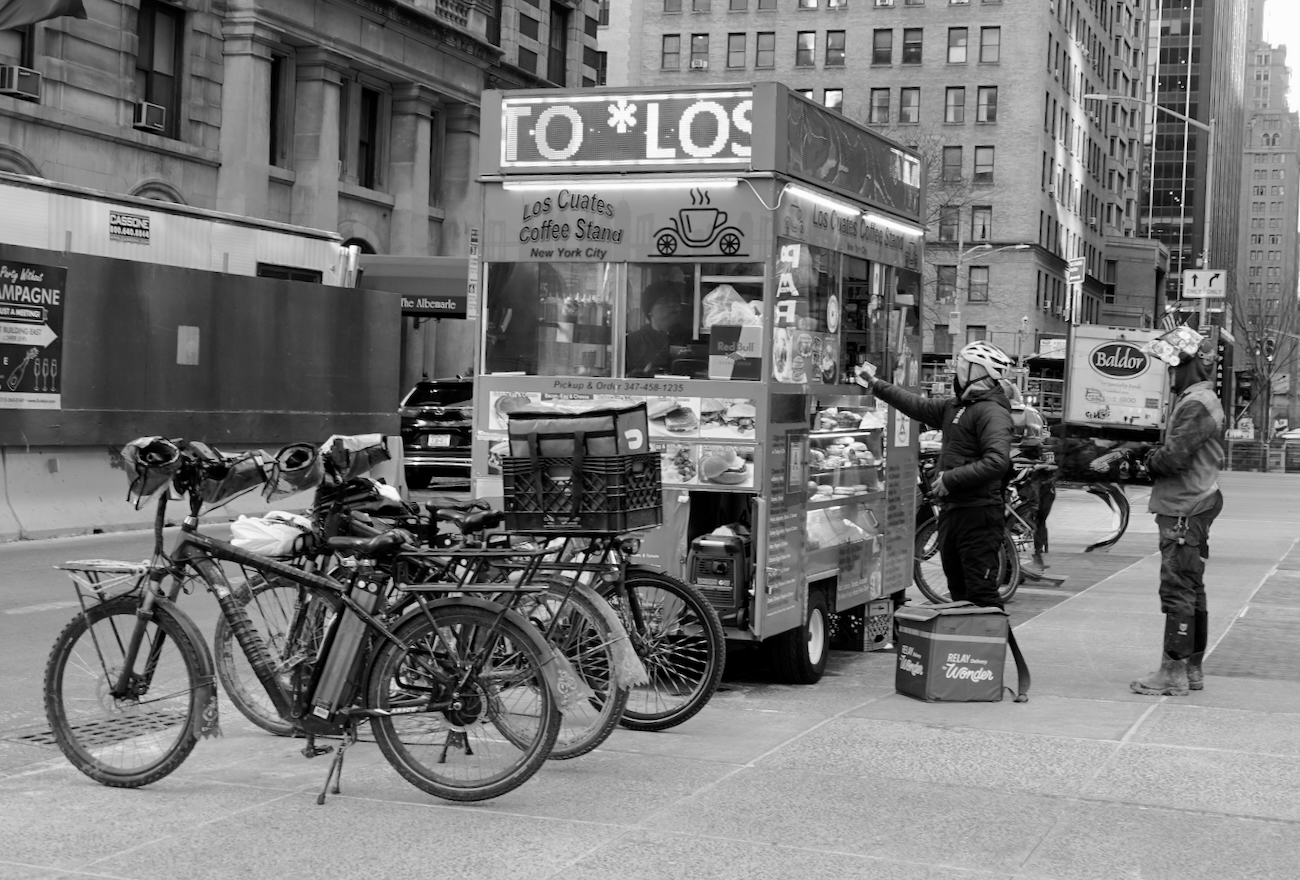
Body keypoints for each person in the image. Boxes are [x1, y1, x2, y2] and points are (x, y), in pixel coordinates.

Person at [856, 340, 1016, 608]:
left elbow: (997, 462)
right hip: (954, 511)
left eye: (964, 366)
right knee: (959, 593)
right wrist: (875, 384)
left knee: (981, 594)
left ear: (978, 372)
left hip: (978, 514)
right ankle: (966, 648)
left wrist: (949, 479)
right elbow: (916, 406)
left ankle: (989, 648)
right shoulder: (957, 406)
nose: (958, 372)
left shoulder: (992, 411)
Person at [1116, 325, 1225, 696]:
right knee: (1192, 587)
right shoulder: (1199, 398)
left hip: (1185, 505)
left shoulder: (1196, 402)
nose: (1169, 372)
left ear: (1187, 365)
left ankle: (1173, 672)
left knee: (1178, 587)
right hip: (1192, 501)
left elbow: (1175, 457)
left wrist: (1146, 460)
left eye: (1172, 365)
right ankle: (1191, 670)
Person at [1001, 378, 1055, 570]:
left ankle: (1010, 562)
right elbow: (1042, 443)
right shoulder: (1033, 414)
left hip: (1016, 472)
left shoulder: (995, 412)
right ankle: (1037, 556)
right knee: (1038, 518)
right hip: (1036, 475)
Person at [626, 281, 685, 377]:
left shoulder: (688, 338)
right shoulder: (634, 341)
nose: (672, 305)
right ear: (650, 310)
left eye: (675, 300)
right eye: (664, 301)